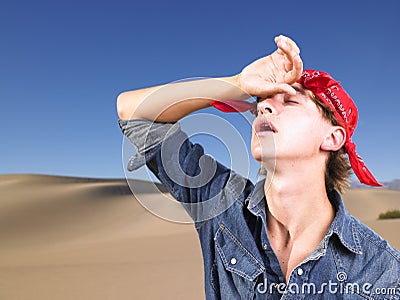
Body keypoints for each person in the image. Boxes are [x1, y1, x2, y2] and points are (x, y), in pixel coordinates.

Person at [117, 35, 400, 299]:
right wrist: (238, 83)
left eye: (289, 100)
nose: (263, 108)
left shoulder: (382, 270)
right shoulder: (223, 205)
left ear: (333, 137)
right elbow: (132, 111)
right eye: (260, 103)